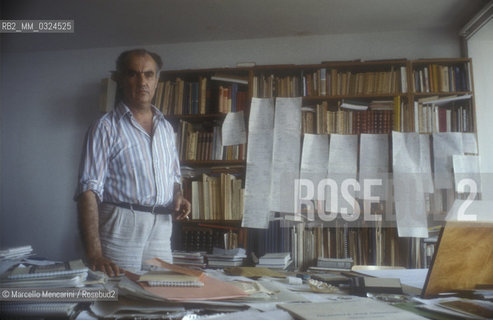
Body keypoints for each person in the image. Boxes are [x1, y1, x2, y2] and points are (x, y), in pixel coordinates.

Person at [75, 49, 190, 276]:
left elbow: (174, 176)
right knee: (118, 300)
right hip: (121, 225)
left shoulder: (166, 128)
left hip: (162, 227)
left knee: (161, 296)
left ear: (157, 80)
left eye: (148, 74)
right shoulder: (105, 127)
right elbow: (88, 190)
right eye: (133, 74)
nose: (142, 81)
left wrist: (178, 195)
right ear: (119, 79)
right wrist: (94, 253)